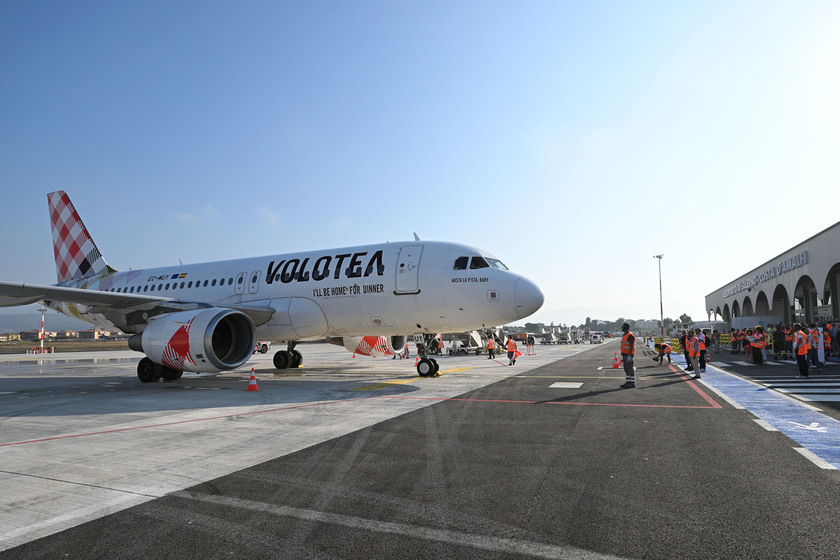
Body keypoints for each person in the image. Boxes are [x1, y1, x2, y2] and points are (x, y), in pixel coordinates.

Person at [619, 323, 636, 388]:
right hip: (625, 354)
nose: (622, 328)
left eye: (622, 327)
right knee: (626, 369)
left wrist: (629, 355)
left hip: (628, 355)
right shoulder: (625, 335)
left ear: (625, 328)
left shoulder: (630, 335)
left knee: (630, 368)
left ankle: (632, 383)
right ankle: (628, 382)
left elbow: (631, 345)